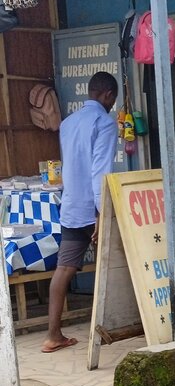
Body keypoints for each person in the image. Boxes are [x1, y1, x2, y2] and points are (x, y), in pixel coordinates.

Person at [42, 71, 118, 353]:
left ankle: (53, 335)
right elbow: (101, 171)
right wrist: (101, 212)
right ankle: (116, 325)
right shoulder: (104, 123)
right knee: (115, 264)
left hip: (72, 205)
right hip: (93, 208)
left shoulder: (68, 122)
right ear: (107, 95)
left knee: (64, 268)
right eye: (113, 100)